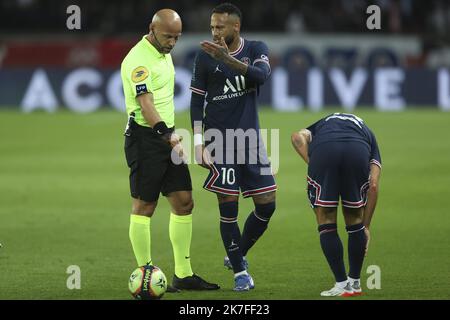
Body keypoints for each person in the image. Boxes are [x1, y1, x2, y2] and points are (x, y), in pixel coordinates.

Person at [121, 9, 219, 291]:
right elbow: (146, 103)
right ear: (152, 28)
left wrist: (171, 135)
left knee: (184, 201)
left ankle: (184, 274)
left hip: (167, 136)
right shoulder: (138, 59)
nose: (173, 42)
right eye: (168, 36)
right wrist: (167, 134)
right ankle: (146, 274)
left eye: (177, 37)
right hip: (146, 137)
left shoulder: (162, 54)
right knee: (145, 205)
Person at [190, 3, 277, 291]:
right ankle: (240, 272)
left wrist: (229, 61)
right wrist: (198, 141)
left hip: (250, 141)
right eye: (212, 26)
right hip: (219, 141)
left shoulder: (256, 48)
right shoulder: (204, 58)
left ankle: (237, 252)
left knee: (267, 204)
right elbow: (195, 102)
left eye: (220, 27)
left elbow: (261, 76)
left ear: (235, 27)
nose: (214, 32)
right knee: (228, 208)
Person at [291, 113, 381, 297]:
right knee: (355, 220)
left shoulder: (320, 125)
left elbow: (296, 137)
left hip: (324, 151)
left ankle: (341, 283)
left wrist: (314, 162)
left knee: (326, 218)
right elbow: (373, 185)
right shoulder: (368, 134)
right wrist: (367, 227)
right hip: (358, 151)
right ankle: (354, 283)